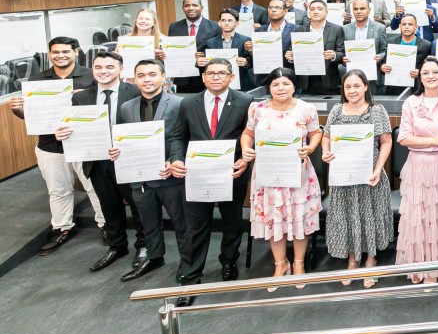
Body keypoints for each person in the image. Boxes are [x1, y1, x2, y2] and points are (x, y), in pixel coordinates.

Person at [170, 58, 254, 304]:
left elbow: (251, 136)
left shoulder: (246, 101)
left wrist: (245, 160)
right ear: (203, 77)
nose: (216, 77)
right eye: (211, 73)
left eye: (222, 73)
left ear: (231, 77)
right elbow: (178, 137)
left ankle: (228, 261)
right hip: (197, 175)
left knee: (232, 222)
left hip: (232, 173)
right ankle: (190, 278)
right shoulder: (188, 103)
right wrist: (176, 159)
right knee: (196, 226)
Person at [9, 36, 102, 255]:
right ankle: (61, 228)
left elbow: (103, 108)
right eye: (55, 52)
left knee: (96, 188)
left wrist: (86, 99)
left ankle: (106, 225)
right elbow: (31, 117)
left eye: (65, 51)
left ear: (76, 52)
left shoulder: (91, 76)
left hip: (84, 144)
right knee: (58, 190)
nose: (60, 55)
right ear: (49, 54)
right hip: (49, 145)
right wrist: (17, 109)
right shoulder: (37, 79)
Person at [54, 50, 143, 271]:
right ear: (92, 70)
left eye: (110, 67)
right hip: (97, 162)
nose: (103, 71)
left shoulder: (136, 91)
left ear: (121, 69)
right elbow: (74, 128)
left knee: (139, 207)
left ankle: (144, 246)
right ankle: (117, 246)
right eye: (98, 67)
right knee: (109, 207)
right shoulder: (81, 97)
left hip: (128, 160)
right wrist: (63, 133)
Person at [240, 68, 322, 288]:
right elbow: (247, 134)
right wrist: (246, 148)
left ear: (294, 86)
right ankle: (280, 263)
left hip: (298, 174)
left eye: (286, 83)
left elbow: (316, 133)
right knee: (272, 217)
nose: (280, 88)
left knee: (299, 218)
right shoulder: (257, 109)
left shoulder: (306, 108)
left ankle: (298, 263)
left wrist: (311, 147)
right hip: (268, 174)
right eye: (275, 84)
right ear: (269, 87)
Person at [113, 59, 188, 283]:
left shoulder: (180, 104)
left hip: (170, 176)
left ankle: (188, 262)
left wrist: (174, 161)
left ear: (163, 77)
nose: (147, 79)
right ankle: (155, 258)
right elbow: (125, 139)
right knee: (149, 223)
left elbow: (184, 138)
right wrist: (116, 150)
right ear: (134, 79)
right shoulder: (127, 107)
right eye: (141, 75)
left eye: (152, 74)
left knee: (182, 224)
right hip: (140, 178)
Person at [323, 69, 393, 288]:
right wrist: (325, 151)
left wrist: (378, 169)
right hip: (343, 175)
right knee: (347, 216)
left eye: (356, 86)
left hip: (370, 174)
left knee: (370, 215)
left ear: (365, 87)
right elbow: (326, 136)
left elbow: (386, 142)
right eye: (348, 86)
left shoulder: (377, 110)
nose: (352, 90)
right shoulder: (337, 110)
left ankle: (371, 258)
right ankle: (352, 259)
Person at [396, 58, 438, 283]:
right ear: (420, 77)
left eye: (435, 72)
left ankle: (435, 269)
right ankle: (417, 264)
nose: (431, 76)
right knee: (418, 216)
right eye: (426, 72)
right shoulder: (411, 102)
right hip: (418, 165)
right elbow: (404, 138)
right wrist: (435, 140)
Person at [288, 0, 346, 95]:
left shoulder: (337, 29)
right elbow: (292, 52)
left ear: (326, 12)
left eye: (320, 9)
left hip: (328, 80)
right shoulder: (300, 30)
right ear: (308, 12)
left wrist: (334, 55)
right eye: (312, 9)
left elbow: (342, 53)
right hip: (305, 81)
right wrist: (290, 57)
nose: (315, 12)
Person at [199, 9, 255, 90]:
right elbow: (206, 63)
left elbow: (252, 61)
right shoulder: (210, 42)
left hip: (241, 82)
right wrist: (200, 62)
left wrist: (246, 62)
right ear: (219, 23)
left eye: (230, 20)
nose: (226, 23)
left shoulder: (245, 40)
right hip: (218, 82)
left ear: (237, 23)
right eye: (223, 20)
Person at [341, 0, 388, 89]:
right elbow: (341, 52)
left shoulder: (380, 28)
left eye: (362, 8)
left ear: (369, 10)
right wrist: (343, 59)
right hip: (352, 77)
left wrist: (380, 57)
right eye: (355, 9)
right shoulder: (345, 29)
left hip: (373, 77)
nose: (358, 12)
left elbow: (384, 51)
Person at [247, 0, 296, 82]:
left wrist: (292, 57)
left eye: (277, 7)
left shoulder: (295, 29)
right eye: (270, 7)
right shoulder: (259, 31)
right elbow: (255, 58)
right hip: (264, 78)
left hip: (287, 77)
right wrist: (251, 51)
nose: (273, 10)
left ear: (285, 11)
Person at [382, 13, 433, 93]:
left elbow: (430, 67)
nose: (406, 27)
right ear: (400, 27)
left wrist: (421, 73)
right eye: (404, 24)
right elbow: (384, 62)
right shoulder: (391, 42)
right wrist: (383, 67)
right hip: (393, 87)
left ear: (416, 27)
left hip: (417, 88)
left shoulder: (426, 45)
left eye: (410, 24)